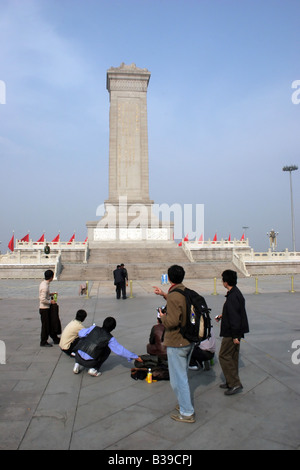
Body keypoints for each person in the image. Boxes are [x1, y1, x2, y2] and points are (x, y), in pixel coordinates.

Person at [154, 265, 195, 423]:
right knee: (181, 376)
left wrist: (162, 317)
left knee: (179, 379)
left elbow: (171, 322)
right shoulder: (185, 291)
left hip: (177, 342)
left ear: (169, 278)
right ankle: (184, 404)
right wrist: (164, 295)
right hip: (188, 340)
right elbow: (178, 304)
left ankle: (186, 412)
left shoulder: (174, 295)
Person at [216, 269, 249, 396]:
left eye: (223, 279)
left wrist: (235, 336)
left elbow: (235, 318)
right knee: (233, 357)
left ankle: (235, 383)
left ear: (226, 281)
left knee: (223, 355)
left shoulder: (233, 296)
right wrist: (222, 316)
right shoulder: (235, 293)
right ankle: (230, 381)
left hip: (231, 333)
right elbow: (234, 312)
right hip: (234, 331)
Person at [73, 316, 142, 376]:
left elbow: (81, 333)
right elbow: (121, 351)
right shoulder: (110, 338)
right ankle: (94, 369)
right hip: (89, 363)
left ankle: (77, 365)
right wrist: (135, 357)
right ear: (113, 328)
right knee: (107, 350)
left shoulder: (94, 328)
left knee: (84, 338)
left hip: (77, 356)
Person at [39, 269, 56, 347]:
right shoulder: (45, 286)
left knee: (49, 324)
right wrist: (50, 302)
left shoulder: (44, 283)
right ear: (51, 277)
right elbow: (42, 299)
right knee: (45, 326)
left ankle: (54, 338)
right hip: (44, 308)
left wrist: (50, 294)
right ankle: (43, 341)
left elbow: (45, 295)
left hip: (45, 308)